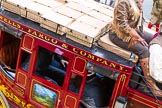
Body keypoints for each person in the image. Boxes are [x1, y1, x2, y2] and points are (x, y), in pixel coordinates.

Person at [108, 0, 162, 96]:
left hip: (134, 31)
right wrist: (137, 37)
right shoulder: (123, 2)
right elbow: (122, 24)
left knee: (154, 38)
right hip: (119, 35)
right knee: (144, 50)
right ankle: (150, 83)